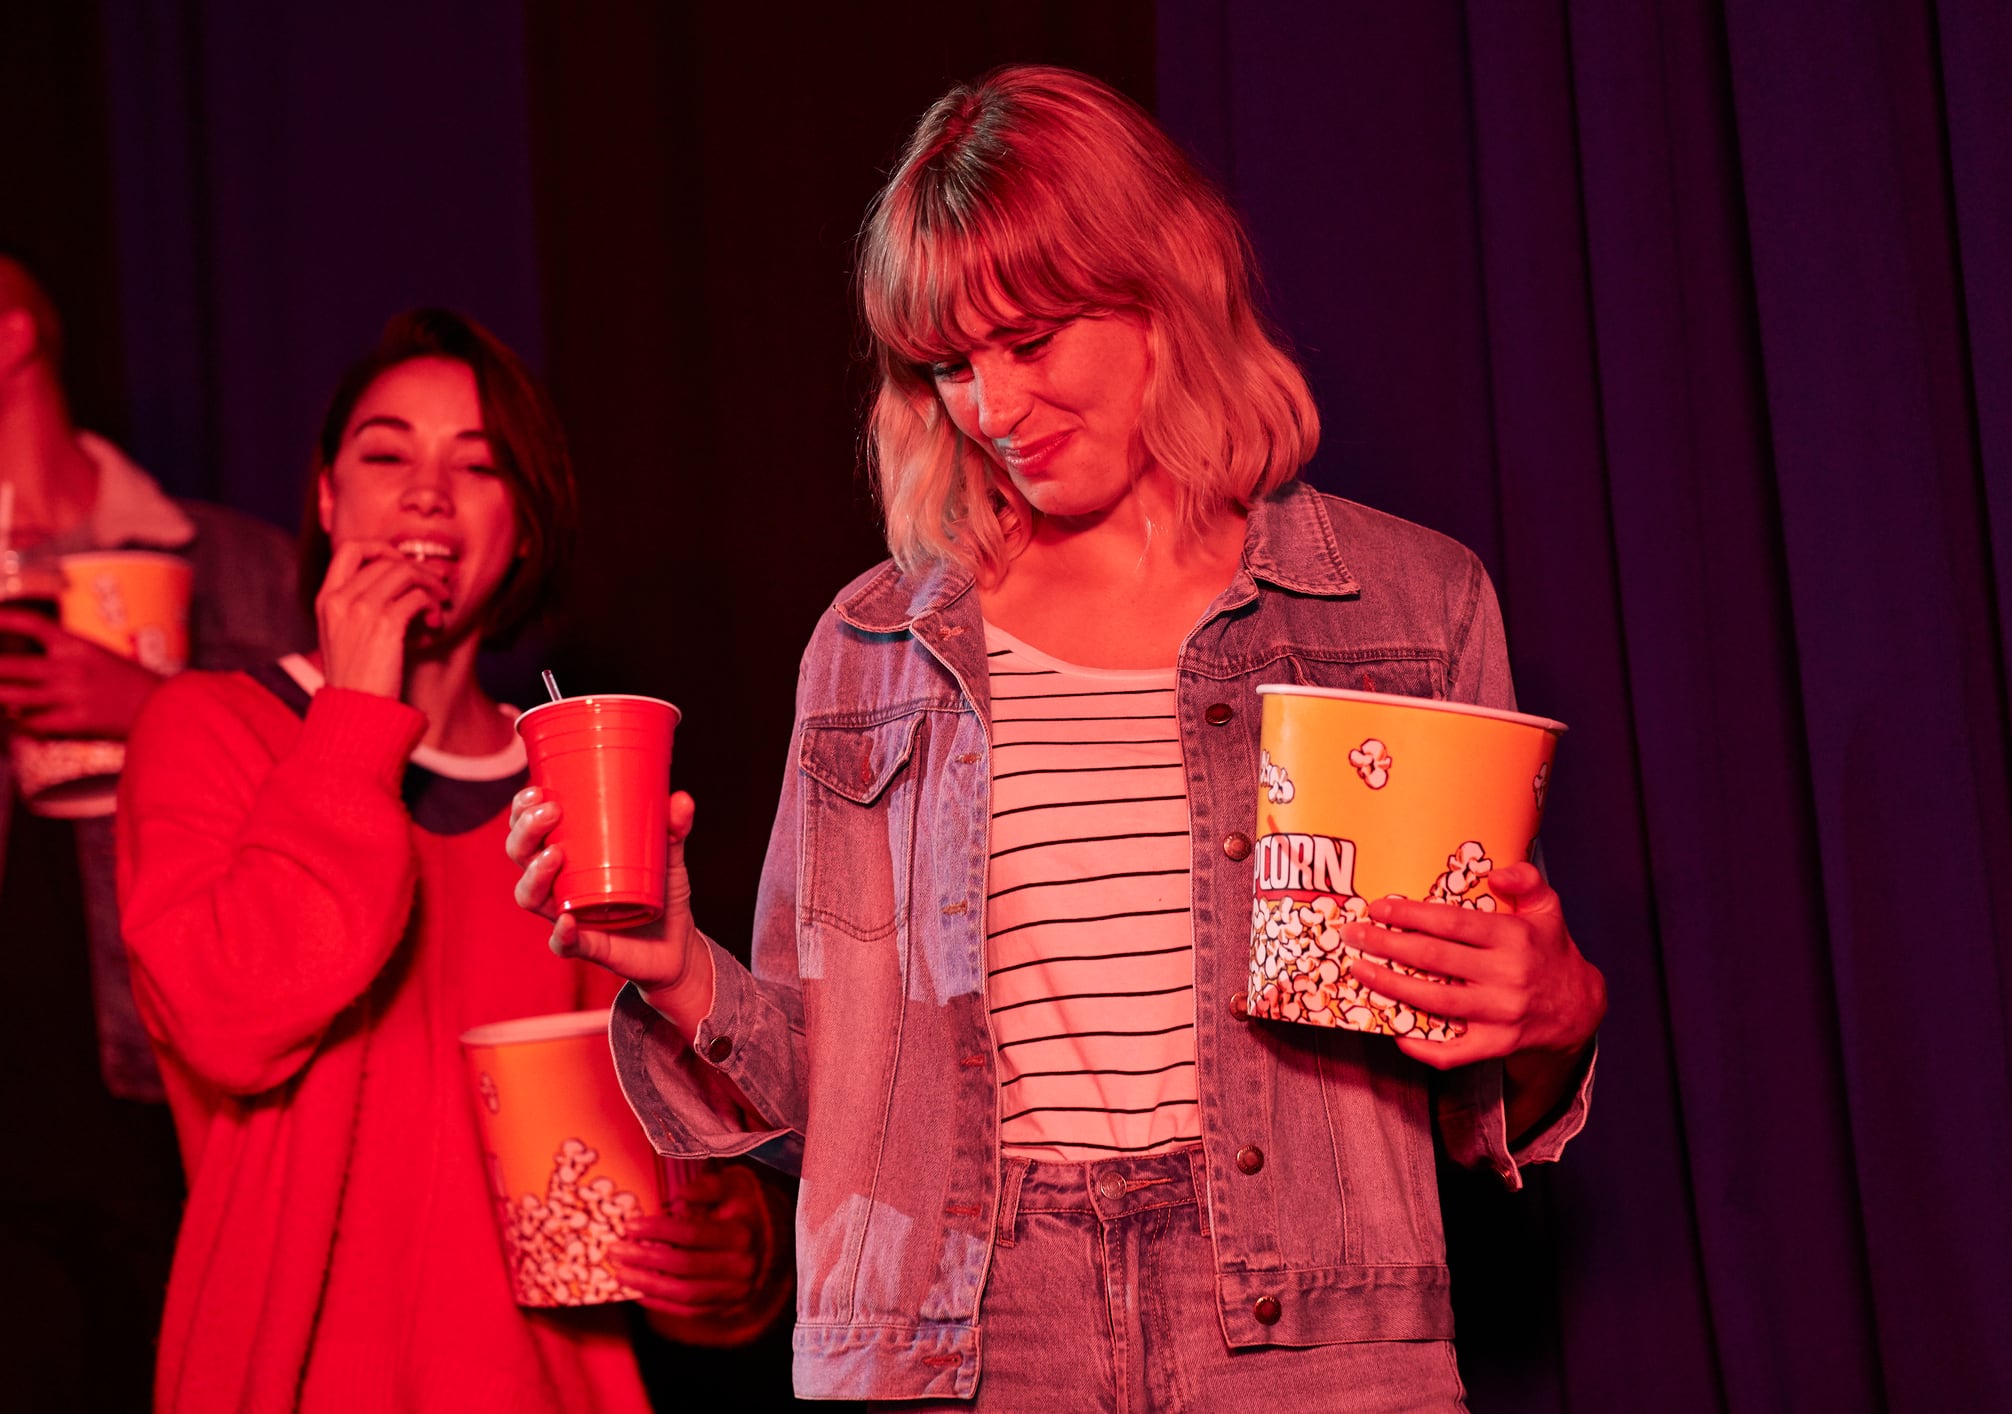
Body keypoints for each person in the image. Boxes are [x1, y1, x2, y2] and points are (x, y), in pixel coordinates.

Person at [509, 67, 1606, 1411]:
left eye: (1030, 341)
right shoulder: (872, 647)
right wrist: (670, 962)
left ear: (1169, 287)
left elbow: (1462, 1072)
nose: (992, 407)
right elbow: (833, 1110)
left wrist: (1551, 1019)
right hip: (960, 1332)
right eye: (951, 364)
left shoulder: (1403, 605)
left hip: (1303, 1331)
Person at [118, 309, 794, 1411]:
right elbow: (234, 1021)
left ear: (524, 525)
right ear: (328, 498)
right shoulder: (209, 731)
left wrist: (730, 1251)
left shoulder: (577, 784)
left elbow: (666, 1143)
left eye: (478, 466)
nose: (426, 492)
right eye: (386, 454)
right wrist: (350, 715)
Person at [0, 254, 307, 1408]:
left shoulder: (231, 561)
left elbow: (347, 791)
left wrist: (151, 710)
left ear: (14, 340)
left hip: (163, 1079)